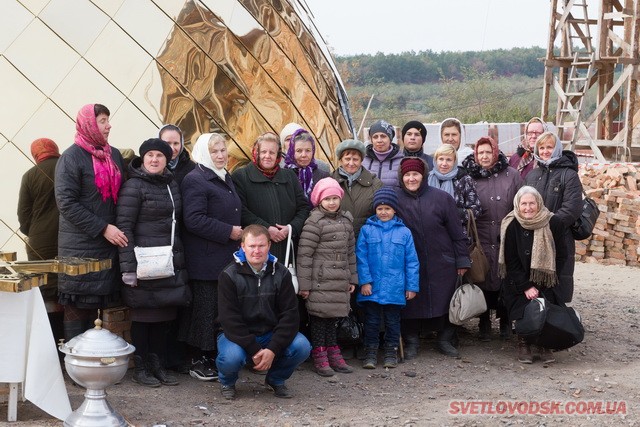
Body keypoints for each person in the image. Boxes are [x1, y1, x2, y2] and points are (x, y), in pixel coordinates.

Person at [117, 138, 190, 387]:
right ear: (143, 158)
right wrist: (128, 267)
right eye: (150, 155)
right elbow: (124, 227)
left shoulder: (172, 185)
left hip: (167, 261)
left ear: (167, 159)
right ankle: (141, 366)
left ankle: (157, 364)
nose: (154, 160)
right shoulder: (133, 186)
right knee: (143, 316)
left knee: (163, 314)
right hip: (144, 261)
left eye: (159, 155)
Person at [55, 103, 127, 341]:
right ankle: (75, 360)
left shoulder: (113, 154)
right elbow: (66, 203)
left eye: (108, 120)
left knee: (103, 304)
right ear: (89, 124)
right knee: (78, 303)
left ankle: (100, 361)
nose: (109, 126)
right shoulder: (70, 157)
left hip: (109, 243)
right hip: (80, 245)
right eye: (103, 121)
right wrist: (103, 228)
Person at [216, 225, 312, 400]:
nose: (257, 251)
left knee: (302, 346)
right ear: (242, 247)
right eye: (252, 246)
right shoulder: (228, 275)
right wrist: (254, 349)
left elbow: (290, 315)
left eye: (261, 245)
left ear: (269, 245)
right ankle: (227, 382)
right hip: (235, 335)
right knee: (231, 357)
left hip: (270, 333)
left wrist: (273, 349)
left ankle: (276, 379)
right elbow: (229, 320)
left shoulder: (281, 273)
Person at [180, 133, 242, 381]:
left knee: (217, 310)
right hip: (205, 259)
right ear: (204, 152)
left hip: (223, 257)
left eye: (223, 149)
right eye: (215, 150)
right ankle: (200, 360)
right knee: (205, 311)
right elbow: (193, 219)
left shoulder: (224, 177)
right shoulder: (196, 179)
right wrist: (229, 231)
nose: (220, 154)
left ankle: (216, 357)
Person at [396, 158, 470, 358]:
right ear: (402, 178)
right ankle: (411, 341)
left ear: (424, 176)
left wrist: (462, 258)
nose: (411, 178)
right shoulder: (395, 199)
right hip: (408, 262)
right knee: (409, 302)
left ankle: (445, 339)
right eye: (407, 175)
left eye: (416, 174)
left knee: (446, 300)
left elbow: (457, 231)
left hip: (442, 260)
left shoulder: (442, 198)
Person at [462, 137, 522, 341]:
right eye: (481, 153)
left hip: (505, 235)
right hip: (480, 237)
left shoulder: (511, 175)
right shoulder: (470, 176)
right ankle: (484, 320)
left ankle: (505, 319)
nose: (485, 156)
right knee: (482, 276)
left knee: (506, 278)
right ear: (476, 155)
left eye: (488, 152)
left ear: (495, 152)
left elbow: (519, 204)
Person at [297, 177, 358, 376]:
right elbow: (305, 255)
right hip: (320, 280)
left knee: (333, 318)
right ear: (319, 200)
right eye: (327, 199)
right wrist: (304, 285)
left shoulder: (346, 221)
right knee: (318, 319)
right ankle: (319, 353)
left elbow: (350, 252)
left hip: (339, 278)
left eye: (335, 198)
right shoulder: (314, 222)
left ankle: (333, 350)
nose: (331, 202)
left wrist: (352, 278)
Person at [499, 186, 566, 364]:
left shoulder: (554, 222)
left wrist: (547, 279)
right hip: (518, 280)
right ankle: (524, 343)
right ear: (517, 205)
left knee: (547, 304)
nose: (528, 208)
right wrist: (526, 286)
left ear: (539, 203)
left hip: (547, 278)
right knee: (522, 306)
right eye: (524, 204)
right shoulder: (511, 224)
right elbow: (510, 259)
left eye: (532, 203)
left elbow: (562, 255)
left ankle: (544, 344)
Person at [356, 188, 419, 369]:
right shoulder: (367, 230)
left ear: (395, 210)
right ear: (375, 210)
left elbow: (412, 261)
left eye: (387, 209)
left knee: (393, 322)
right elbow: (361, 257)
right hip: (372, 287)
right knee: (372, 321)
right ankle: (371, 352)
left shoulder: (404, 232)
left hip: (395, 287)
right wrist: (365, 281)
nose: (383, 212)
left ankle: (391, 351)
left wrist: (412, 286)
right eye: (380, 209)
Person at [232, 132, 310, 262]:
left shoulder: (289, 176)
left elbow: (303, 208)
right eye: (263, 152)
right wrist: (266, 229)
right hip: (255, 250)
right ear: (256, 153)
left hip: (287, 249)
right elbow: (241, 210)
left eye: (272, 153)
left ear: (278, 155)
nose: (267, 156)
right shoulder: (241, 176)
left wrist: (290, 228)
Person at [524, 131, 582, 304]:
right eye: (541, 147)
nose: (545, 151)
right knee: (532, 285)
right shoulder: (532, 175)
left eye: (549, 147)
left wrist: (547, 225)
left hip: (558, 239)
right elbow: (522, 203)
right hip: (532, 238)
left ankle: (555, 323)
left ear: (557, 148)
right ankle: (533, 323)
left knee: (555, 285)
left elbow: (572, 207)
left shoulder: (569, 175)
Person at [18, 138, 62, 341]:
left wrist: (34, 231)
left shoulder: (29, 175)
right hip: (67, 238)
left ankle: (48, 342)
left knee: (45, 290)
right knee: (68, 287)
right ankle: (69, 340)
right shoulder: (66, 167)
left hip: (39, 243)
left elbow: (23, 214)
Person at [331, 139, 383, 237]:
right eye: (347, 159)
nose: (351, 163)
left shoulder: (375, 184)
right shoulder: (330, 182)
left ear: (361, 161)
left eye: (355, 159)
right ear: (340, 160)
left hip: (366, 239)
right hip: (336, 240)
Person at [428, 143, 481, 240]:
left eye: (449, 160)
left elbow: (476, 209)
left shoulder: (463, 179)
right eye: (441, 159)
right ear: (435, 160)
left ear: (455, 161)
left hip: (457, 237)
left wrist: (452, 213)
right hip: (431, 236)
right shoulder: (427, 178)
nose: (444, 163)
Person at [283, 128, 330, 205]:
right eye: (299, 151)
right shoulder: (284, 175)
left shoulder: (323, 176)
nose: (304, 155)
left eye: (308, 150)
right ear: (292, 152)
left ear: (313, 151)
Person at [363, 120, 404, 188]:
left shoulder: (401, 161)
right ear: (371, 140)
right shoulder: (363, 160)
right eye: (375, 137)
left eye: (383, 136)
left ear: (390, 139)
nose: (379, 140)